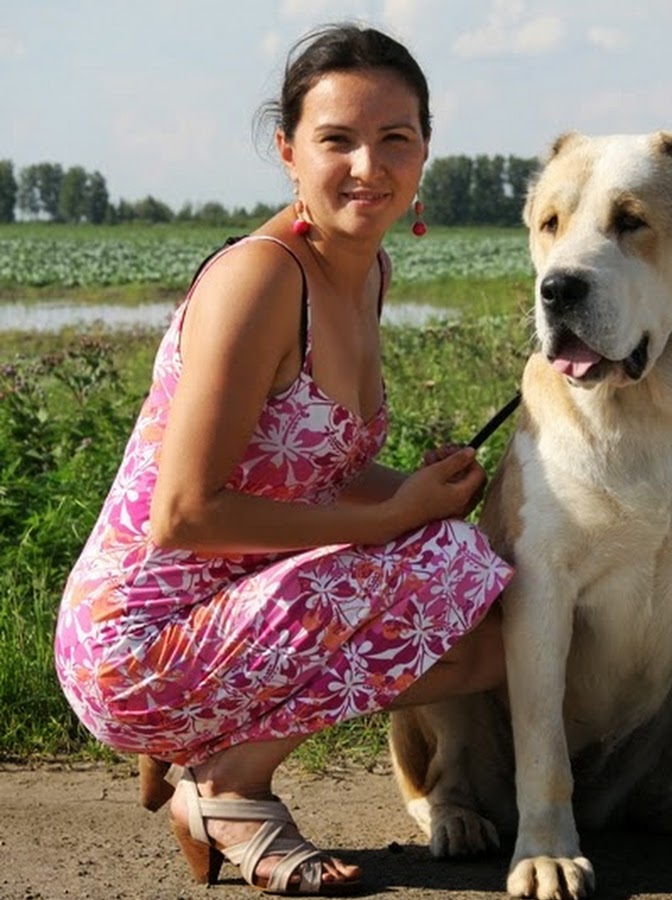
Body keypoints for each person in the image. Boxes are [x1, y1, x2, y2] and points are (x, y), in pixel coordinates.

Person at [55, 22, 512, 896]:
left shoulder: (367, 272)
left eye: (395, 139)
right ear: (288, 151)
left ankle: (203, 741)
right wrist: (391, 519)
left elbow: (310, 471)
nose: (369, 168)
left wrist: (420, 490)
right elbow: (183, 514)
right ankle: (226, 788)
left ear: (425, 151)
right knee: (449, 564)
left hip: (232, 609)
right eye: (337, 139)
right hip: (135, 639)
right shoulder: (261, 280)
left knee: (490, 625)